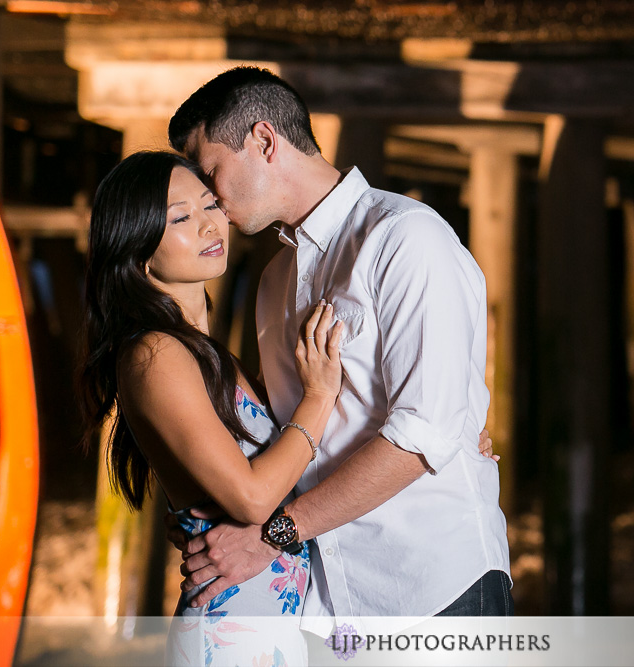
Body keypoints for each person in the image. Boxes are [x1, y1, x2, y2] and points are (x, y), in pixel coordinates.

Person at [78, 151, 497, 664]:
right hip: (232, 630)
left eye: (211, 205)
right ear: (138, 249)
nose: (212, 224)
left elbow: (289, 461)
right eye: (182, 217)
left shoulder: (208, 357)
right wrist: (319, 398)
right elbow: (255, 498)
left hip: (277, 626)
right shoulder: (154, 353)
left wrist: (452, 427)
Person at [167, 66, 513, 631]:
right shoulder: (275, 281)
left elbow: (424, 433)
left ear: (263, 140)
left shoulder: (404, 237)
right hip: (329, 606)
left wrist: (273, 536)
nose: (212, 199)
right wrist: (203, 509)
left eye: (212, 173)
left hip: (433, 590)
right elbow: (286, 439)